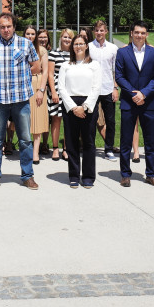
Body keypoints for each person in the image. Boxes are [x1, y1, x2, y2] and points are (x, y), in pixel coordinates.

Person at [0, 13, 41, 190]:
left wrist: (23, 76)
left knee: (25, 139)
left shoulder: (26, 43)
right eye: (3, 27)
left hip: (21, 99)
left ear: (14, 27)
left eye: (9, 26)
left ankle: (27, 176)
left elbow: (36, 66)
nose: (6, 30)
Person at [114, 20, 154, 187]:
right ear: (131, 33)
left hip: (149, 102)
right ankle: (125, 175)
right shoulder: (122, 53)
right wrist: (134, 93)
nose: (139, 36)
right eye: (137, 32)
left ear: (147, 34)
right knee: (126, 140)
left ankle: (151, 174)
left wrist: (144, 93)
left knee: (150, 141)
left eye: (143, 33)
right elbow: (119, 76)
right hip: (129, 102)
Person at [57, 34, 101, 188]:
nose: (78, 46)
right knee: (71, 141)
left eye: (81, 43)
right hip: (70, 106)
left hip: (88, 105)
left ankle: (88, 177)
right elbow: (61, 88)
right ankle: (74, 175)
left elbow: (96, 88)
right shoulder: (66, 65)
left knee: (88, 142)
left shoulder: (94, 65)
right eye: (76, 44)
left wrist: (85, 106)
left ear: (86, 46)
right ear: (72, 47)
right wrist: (74, 107)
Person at [89, 20, 119, 161]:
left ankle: (109, 149)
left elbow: (116, 70)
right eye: (97, 30)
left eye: (102, 30)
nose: (99, 33)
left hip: (108, 88)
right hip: (92, 89)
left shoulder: (113, 48)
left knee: (110, 121)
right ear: (94, 31)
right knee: (91, 119)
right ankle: (90, 148)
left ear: (106, 31)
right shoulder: (88, 47)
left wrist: (115, 88)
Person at [46, 29, 74, 162]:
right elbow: (50, 74)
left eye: (69, 37)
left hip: (71, 90)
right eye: (64, 37)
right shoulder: (53, 53)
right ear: (60, 38)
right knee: (56, 119)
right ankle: (56, 147)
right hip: (57, 89)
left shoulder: (75, 54)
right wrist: (54, 91)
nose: (67, 39)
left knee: (69, 121)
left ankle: (67, 149)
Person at [29, 30, 50, 165]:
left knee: (37, 121)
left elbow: (46, 71)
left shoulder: (41, 50)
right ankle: (26, 150)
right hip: (22, 85)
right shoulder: (19, 49)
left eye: (32, 34)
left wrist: (41, 90)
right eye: (27, 34)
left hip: (37, 84)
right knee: (24, 121)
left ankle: (35, 152)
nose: (30, 36)